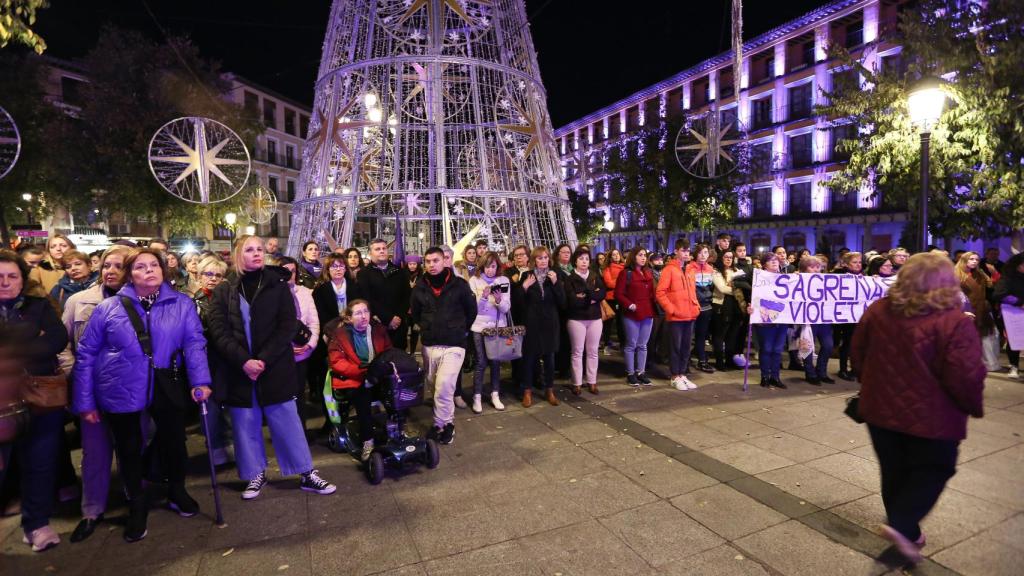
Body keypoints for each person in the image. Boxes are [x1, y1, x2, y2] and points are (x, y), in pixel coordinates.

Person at [851, 252, 985, 564]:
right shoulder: (955, 322)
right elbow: (966, 375)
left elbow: (858, 353)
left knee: (894, 470)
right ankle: (900, 525)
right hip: (933, 418)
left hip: (879, 412)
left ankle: (906, 531)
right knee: (934, 469)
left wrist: (871, 385)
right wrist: (973, 406)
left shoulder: (879, 310)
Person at [72, 247, 210, 543]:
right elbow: (86, 355)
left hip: (165, 381)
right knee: (129, 448)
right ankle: (136, 503)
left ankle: (177, 489)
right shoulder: (108, 308)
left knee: (174, 441)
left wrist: (200, 381)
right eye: (140, 266)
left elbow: (194, 343)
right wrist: (84, 401)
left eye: (154, 265)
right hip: (118, 385)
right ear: (129, 274)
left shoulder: (181, 304)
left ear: (163, 270)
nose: (148, 270)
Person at [207, 235, 336, 501]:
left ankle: (306, 472)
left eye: (260, 249)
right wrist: (244, 361)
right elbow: (218, 331)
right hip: (240, 370)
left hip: (274, 366)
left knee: (287, 421)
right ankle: (255, 473)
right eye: (249, 249)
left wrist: (263, 359)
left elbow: (288, 324)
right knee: (245, 424)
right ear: (237, 254)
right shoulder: (224, 289)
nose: (256, 253)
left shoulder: (278, 284)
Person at [59, 245, 130, 543]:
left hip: (128, 389)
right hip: (89, 388)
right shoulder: (79, 301)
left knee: (131, 447)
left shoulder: (139, 302)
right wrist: (74, 373)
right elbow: (62, 344)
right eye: (106, 265)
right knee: (95, 453)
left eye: (118, 266)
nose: (110, 271)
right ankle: (91, 510)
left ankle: (134, 498)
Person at [0, 250, 69, 551]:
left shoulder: (40, 306)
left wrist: (13, 343)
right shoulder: (34, 318)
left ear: (22, 279)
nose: (5, 282)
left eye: (12, 276)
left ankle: (37, 524)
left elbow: (56, 339)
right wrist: (30, 335)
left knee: (39, 463)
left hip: (40, 399)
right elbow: (40, 341)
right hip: (2, 404)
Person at [410, 247, 477, 442]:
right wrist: (426, 328)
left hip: (454, 344)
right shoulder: (420, 287)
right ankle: (443, 421)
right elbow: (415, 312)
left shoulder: (460, 285)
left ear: (444, 261)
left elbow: (471, 311)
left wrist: (461, 329)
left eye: (436, 260)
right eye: (428, 261)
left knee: (444, 385)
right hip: (430, 344)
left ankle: (443, 424)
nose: (432, 265)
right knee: (433, 385)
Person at [327, 299, 391, 461]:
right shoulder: (339, 335)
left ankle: (395, 431)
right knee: (362, 397)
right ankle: (367, 442)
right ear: (349, 318)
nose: (363, 316)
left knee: (395, 391)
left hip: (377, 377)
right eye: (358, 313)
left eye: (366, 311)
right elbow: (337, 362)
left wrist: (379, 370)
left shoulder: (378, 330)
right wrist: (362, 372)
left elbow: (388, 353)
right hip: (352, 379)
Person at [309, 253, 362, 433]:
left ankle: (351, 415)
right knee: (329, 380)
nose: (338, 270)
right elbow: (319, 315)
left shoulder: (355, 287)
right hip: (329, 341)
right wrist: (335, 328)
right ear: (328, 270)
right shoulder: (321, 290)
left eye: (341, 266)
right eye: (334, 267)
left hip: (354, 340)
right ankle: (331, 419)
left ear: (345, 269)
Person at [192, 254, 233, 465]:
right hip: (207, 361)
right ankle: (215, 447)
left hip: (227, 360)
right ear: (199, 277)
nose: (213, 279)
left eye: (218, 275)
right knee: (211, 408)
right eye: (208, 274)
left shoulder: (229, 300)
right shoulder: (193, 304)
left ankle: (228, 443)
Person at [512, 246, 564, 406]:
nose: (543, 261)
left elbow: (562, 302)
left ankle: (549, 390)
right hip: (532, 324)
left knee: (549, 359)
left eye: (545, 258)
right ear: (534, 260)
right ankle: (527, 391)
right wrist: (524, 287)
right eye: (539, 258)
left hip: (550, 324)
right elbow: (516, 304)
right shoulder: (527, 276)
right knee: (528, 358)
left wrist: (556, 284)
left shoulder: (554, 276)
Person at [278, 256, 321, 421]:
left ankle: (301, 433)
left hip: (302, 354)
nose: (290, 274)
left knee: (299, 395)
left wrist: (309, 345)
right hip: (281, 354)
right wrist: (286, 347)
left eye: (293, 271)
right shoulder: (272, 295)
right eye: (285, 271)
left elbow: (313, 322)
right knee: (283, 397)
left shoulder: (304, 293)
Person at [468, 251, 511, 412]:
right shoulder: (474, 280)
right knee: (481, 362)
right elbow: (473, 309)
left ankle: (495, 394)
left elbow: (506, 308)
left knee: (495, 362)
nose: (490, 270)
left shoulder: (503, 281)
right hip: (479, 327)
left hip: (497, 327)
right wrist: (484, 297)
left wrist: (499, 300)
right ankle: (477, 396)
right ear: (482, 266)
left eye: (493, 266)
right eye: (487, 266)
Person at [657, 240, 700, 390]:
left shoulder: (689, 270)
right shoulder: (669, 270)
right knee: (675, 347)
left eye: (688, 251)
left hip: (690, 314)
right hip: (676, 315)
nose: (687, 253)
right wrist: (671, 309)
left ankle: (682, 374)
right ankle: (675, 376)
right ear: (676, 251)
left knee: (686, 347)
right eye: (683, 250)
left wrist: (696, 306)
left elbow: (693, 291)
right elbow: (660, 293)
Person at [564, 248, 606, 395]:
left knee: (593, 351)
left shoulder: (594, 276)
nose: (584, 262)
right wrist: (591, 298)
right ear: (575, 260)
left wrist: (586, 296)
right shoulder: (570, 279)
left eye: (587, 259)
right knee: (577, 351)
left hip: (595, 318)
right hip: (576, 318)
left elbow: (602, 293)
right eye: (581, 258)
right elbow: (573, 300)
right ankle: (577, 383)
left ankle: (592, 381)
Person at [359, 238, 411, 350]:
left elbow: (407, 296)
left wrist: (398, 317)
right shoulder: (364, 274)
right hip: (376, 324)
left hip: (399, 325)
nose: (382, 251)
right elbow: (366, 298)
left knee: (399, 360)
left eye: (384, 248)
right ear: (370, 253)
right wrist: (388, 318)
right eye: (377, 249)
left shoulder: (399, 272)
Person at [615, 247, 656, 386]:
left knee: (643, 345)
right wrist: (630, 305)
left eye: (645, 255)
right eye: (640, 255)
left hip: (647, 312)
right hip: (632, 313)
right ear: (634, 257)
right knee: (631, 344)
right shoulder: (626, 273)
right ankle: (630, 373)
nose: (643, 257)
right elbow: (618, 294)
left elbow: (652, 293)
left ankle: (641, 372)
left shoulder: (648, 272)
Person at [955, 252, 1000, 372]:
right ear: (964, 260)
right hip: (965, 310)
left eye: (976, 259)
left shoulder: (980, 273)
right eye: (971, 259)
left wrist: (994, 273)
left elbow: (992, 285)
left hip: (982, 309)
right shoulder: (956, 274)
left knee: (988, 336)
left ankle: (984, 363)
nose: (974, 261)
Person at [795, 256, 835, 385]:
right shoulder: (797, 280)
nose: (816, 270)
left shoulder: (825, 280)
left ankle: (821, 372)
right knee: (808, 346)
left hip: (823, 318)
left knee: (828, 345)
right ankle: (810, 373)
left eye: (818, 267)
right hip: (808, 318)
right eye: (812, 267)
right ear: (804, 269)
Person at [751, 252, 788, 388]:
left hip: (782, 319)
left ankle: (775, 377)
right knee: (766, 348)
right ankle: (765, 376)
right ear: (764, 264)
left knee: (777, 350)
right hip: (765, 318)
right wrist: (751, 308)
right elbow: (755, 297)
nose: (774, 262)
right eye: (770, 260)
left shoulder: (785, 279)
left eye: (776, 260)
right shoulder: (759, 279)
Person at [832, 251, 863, 380]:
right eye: (854, 262)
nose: (858, 265)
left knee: (856, 343)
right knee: (847, 343)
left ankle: (854, 368)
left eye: (860, 262)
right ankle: (843, 369)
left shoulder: (865, 276)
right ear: (846, 264)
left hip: (858, 314)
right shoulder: (838, 275)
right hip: (844, 315)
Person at [993, 252, 1024, 379]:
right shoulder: (1007, 278)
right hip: (1012, 313)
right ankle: (1014, 366)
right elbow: (998, 294)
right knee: (1014, 340)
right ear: (1017, 265)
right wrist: (1019, 302)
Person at [711, 251, 742, 372]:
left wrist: (736, 286)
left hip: (735, 307)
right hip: (721, 306)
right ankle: (719, 361)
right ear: (721, 258)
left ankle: (729, 360)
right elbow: (722, 288)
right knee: (719, 335)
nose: (729, 259)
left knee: (732, 336)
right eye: (726, 257)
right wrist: (738, 289)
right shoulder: (716, 271)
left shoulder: (736, 270)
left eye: (731, 257)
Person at [687, 244, 716, 373]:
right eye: (700, 252)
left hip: (706, 306)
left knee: (702, 335)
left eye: (705, 252)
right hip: (692, 305)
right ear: (695, 254)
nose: (703, 255)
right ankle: (685, 360)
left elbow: (710, 287)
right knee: (688, 335)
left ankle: (702, 361)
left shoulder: (710, 269)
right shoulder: (689, 268)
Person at [601, 248, 625, 354]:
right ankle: (606, 345)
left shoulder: (625, 267)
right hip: (611, 298)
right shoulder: (607, 268)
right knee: (608, 324)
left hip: (622, 298)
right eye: (613, 255)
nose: (616, 256)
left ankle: (623, 344)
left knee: (621, 323)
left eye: (617, 254)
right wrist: (621, 281)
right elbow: (609, 283)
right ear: (610, 257)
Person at [405, 255, 423, 353]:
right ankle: (403, 353)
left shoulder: (421, 276)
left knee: (415, 333)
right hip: (405, 309)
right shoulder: (403, 275)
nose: (412, 266)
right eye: (410, 264)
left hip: (417, 310)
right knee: (403, 332)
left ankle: (412, 353)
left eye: (414, 264)